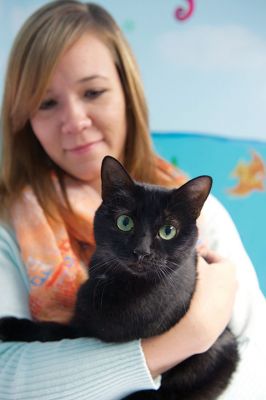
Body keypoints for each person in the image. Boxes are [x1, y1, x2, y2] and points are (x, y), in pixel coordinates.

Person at [0, 1, 265, 399]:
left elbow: (257, 359)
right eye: (46, 102)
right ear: (24, 116)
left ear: (127, 91)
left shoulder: (201, 216)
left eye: (93, 91)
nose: (74, 121)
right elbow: (5, 377)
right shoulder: (8, 225)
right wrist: (187, 338)